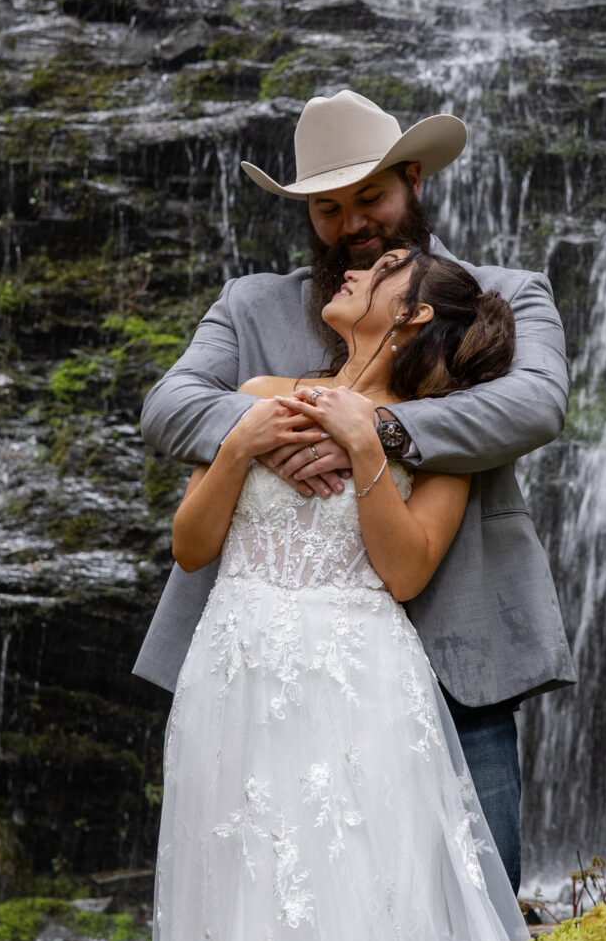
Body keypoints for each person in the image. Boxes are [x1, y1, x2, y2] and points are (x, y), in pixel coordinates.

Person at [151, 244, 532, 941]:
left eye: (388, 266)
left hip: (357, 682)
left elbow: (406, 569)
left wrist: (367, 445)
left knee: (362, 913)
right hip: (234, 674)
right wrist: (244, 445)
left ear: (409, 321)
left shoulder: (442, 441)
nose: (359, 263)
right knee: (240, 923)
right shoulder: (267, 387)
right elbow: (190, 544)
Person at [134, 87, 573, 891]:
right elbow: (169, 407)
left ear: (412, 180)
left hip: (457, 658)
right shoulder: (250, 305)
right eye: (327, 209)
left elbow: (533, 404)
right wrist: (277, 433)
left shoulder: (497, 297)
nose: (352, 225)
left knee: (479, 909)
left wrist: (375, 433)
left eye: (368, 197)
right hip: (265, 671)